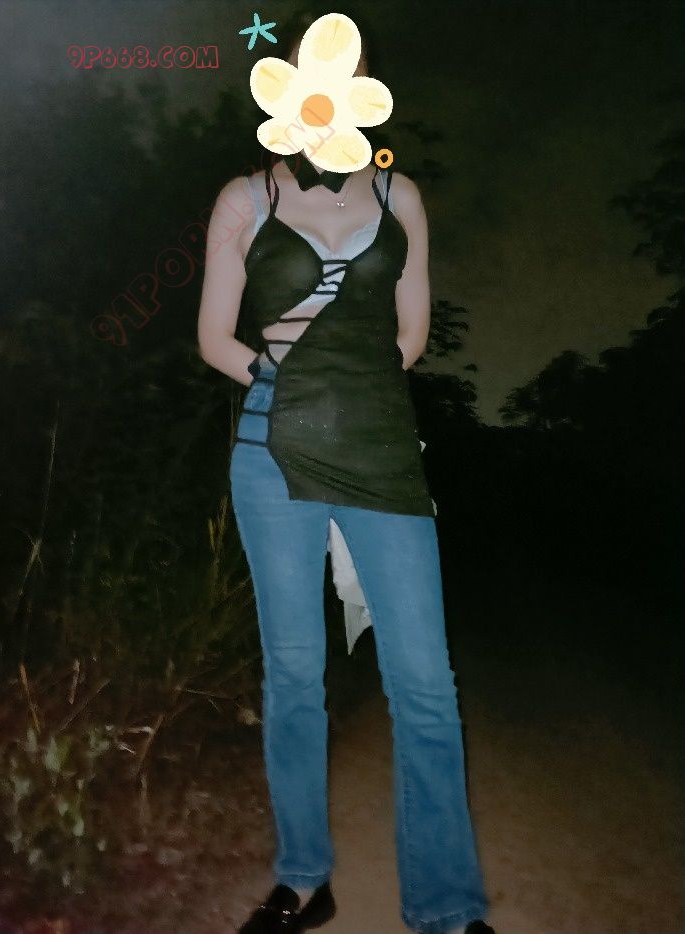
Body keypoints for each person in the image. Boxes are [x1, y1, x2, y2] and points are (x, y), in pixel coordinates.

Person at [197, 9, 495, 933]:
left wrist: (349, 384)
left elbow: (411, 336)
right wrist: (282, 380)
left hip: (378, 451)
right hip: (270, 454)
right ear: (283, 83)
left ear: (365, 87)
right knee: (293, 677)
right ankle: (302, 880)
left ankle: (447, 907)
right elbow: (214, 338)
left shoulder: (398, 195)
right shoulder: (246, 198)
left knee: (426, 684)